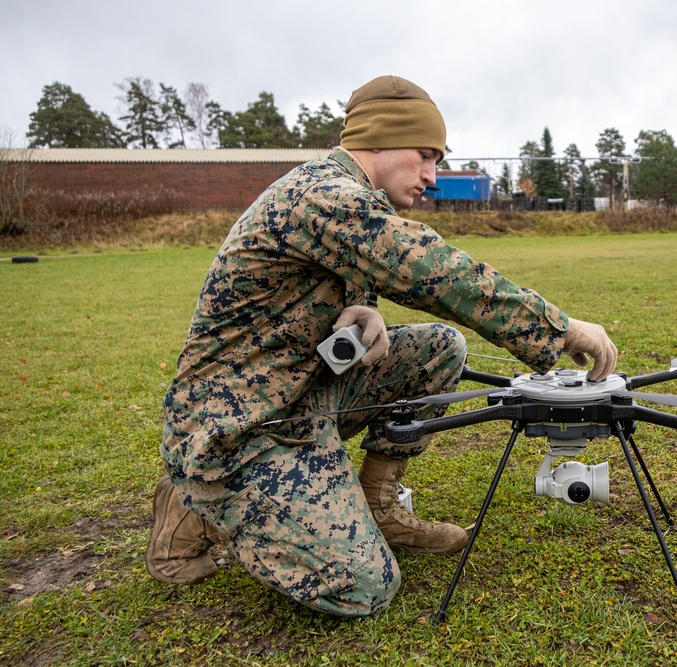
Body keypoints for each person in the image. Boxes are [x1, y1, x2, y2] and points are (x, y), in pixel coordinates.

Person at [145, 75, 617, 617]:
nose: (432, 177)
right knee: (361, 585)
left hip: (301, 401)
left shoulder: (345, 199)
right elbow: (430, 268)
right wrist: (558, 329)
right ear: (380, 139)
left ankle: (376, 505)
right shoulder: (322, 194)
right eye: (425, 155)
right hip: (240, 430)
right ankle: (199, 499)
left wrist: (354, 310)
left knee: (440, 348)